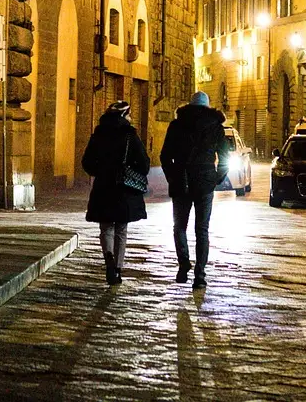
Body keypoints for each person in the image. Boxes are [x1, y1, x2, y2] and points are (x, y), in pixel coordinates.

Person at [160, 91, 232, 289]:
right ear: (207, 107)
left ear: (189, 106)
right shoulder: (216, 127)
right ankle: (200, 276)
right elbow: (225, 157)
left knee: (179, 226)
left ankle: (183, 264)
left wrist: (172, 177)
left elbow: (165, 155)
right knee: (202, 230)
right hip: (205, 183)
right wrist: (216, 178)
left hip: (181, 181)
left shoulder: (176, 125)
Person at [81, 100, 150, 285]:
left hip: (103, 186)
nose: (130, 118)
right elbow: (144, 164)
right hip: (123, 189)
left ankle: (108, 258)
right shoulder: (130, 136)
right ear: (124, 115)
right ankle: (118, 268)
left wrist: (101, 171)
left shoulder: (98, 134)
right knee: (121, 228)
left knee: (106, 227)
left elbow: (87, 162)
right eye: (129, 114)